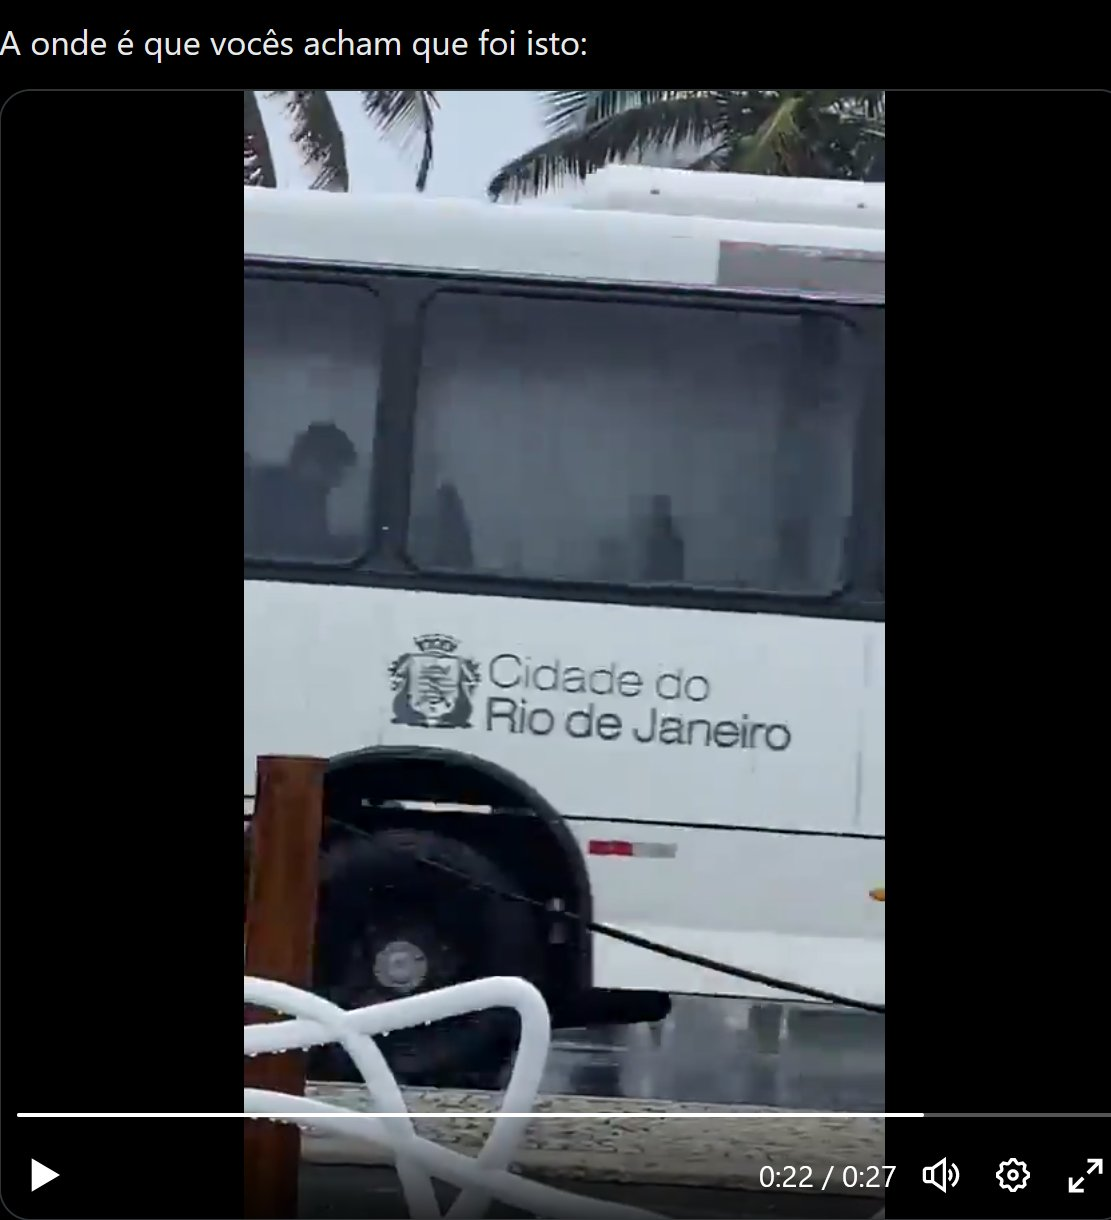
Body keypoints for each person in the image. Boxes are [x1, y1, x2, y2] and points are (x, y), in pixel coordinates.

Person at [245, 422, 357, 557]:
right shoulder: (277, 491)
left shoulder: (312, 492)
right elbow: (299, 547)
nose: (338, 480)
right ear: (312, 461)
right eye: (337, 469)